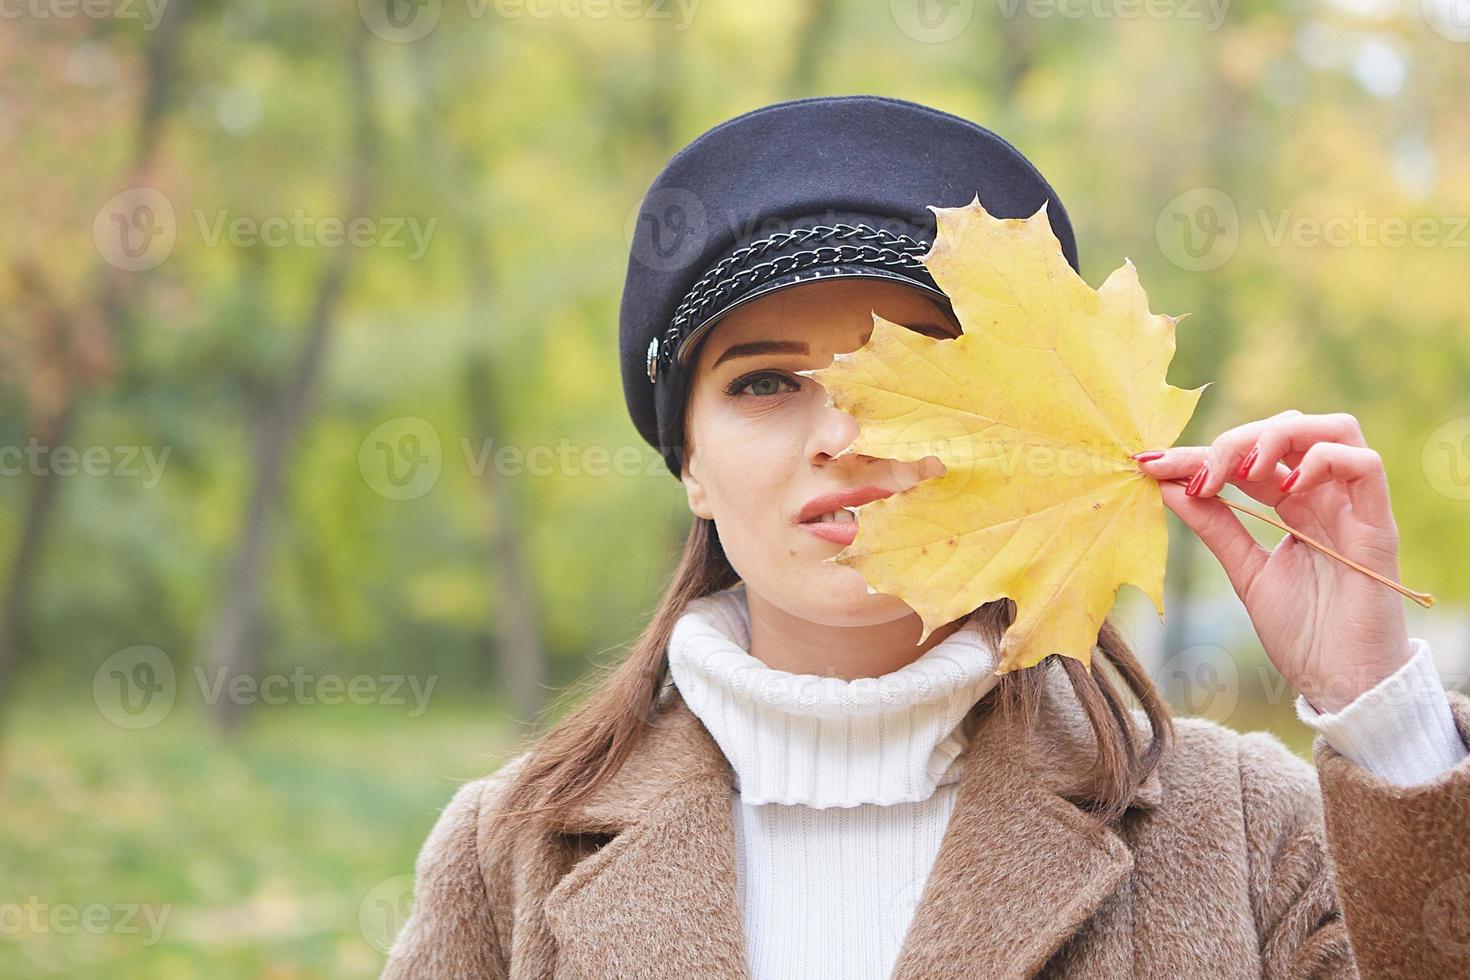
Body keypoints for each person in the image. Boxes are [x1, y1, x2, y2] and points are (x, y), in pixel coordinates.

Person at [381, 96, 1470, 979]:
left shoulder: (1245, 828)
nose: (846, 434)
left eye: (914, 370)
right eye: (765, 382)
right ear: (692, 466)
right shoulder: (507, 853)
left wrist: (1383, 718)